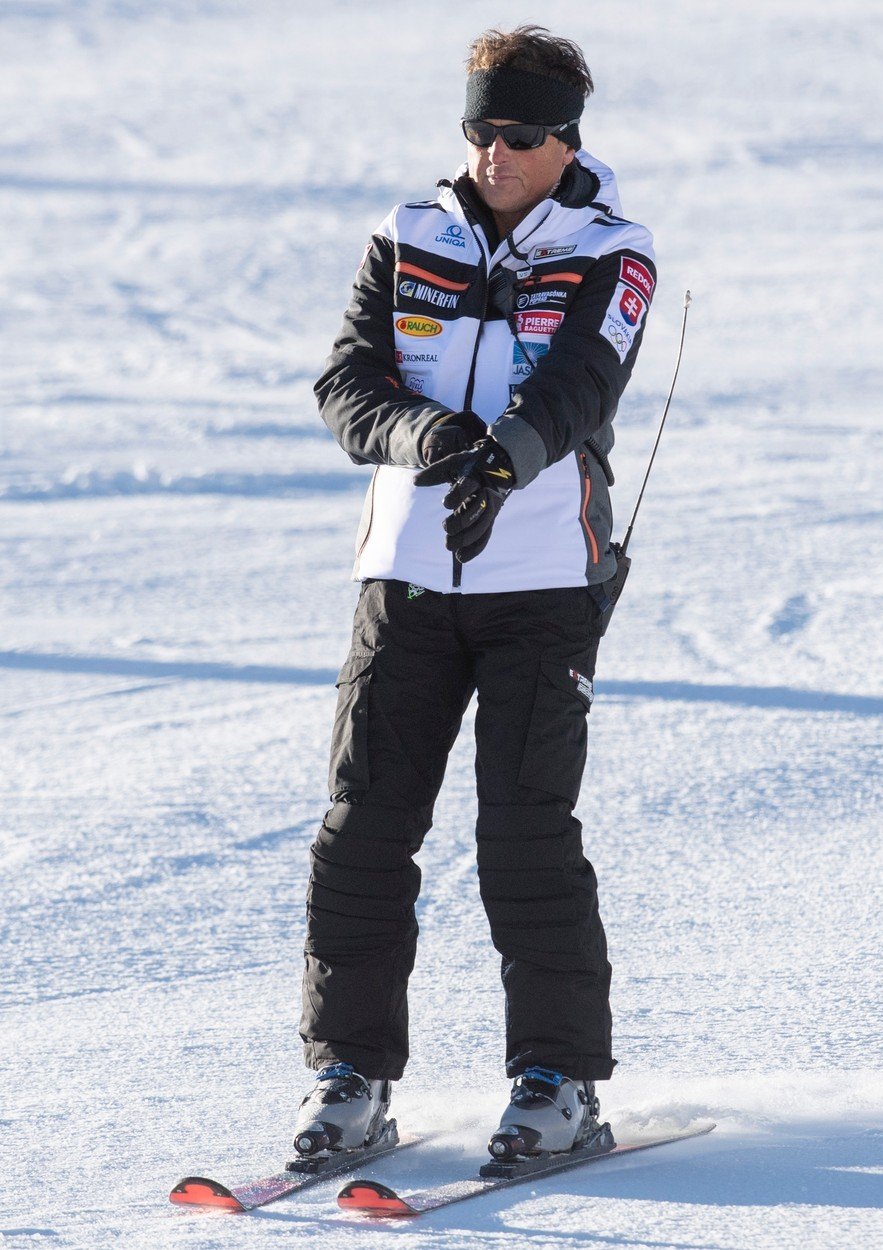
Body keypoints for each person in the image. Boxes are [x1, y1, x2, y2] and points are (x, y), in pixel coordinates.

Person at [294, 24, 657, 1162]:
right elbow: (348, 381)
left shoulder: (613, 248)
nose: (496, 153)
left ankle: (557, 1080)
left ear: (564, 139)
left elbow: (581, 381)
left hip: (543, 579)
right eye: (479, 130)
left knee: (523, 835)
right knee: (362, 830)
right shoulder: (407, 235)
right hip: (404, 575)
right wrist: (430, 433)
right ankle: (347, 1076)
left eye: (521, 134)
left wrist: (505, 455)